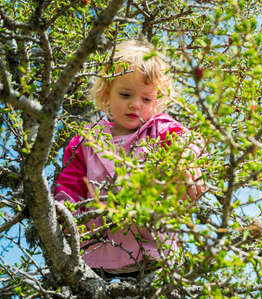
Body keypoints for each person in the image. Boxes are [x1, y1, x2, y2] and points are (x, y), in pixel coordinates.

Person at [54, 39, 204, 277]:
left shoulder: (159, 129)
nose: (135, 104)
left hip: (152, 253)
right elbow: (68, 187)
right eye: (125, 94)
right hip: (96, 255)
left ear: (157, 102)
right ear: (107, 94)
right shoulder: (85, 142)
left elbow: (187, 142)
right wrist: (64, 215)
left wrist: (186, 162)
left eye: (146, 99)